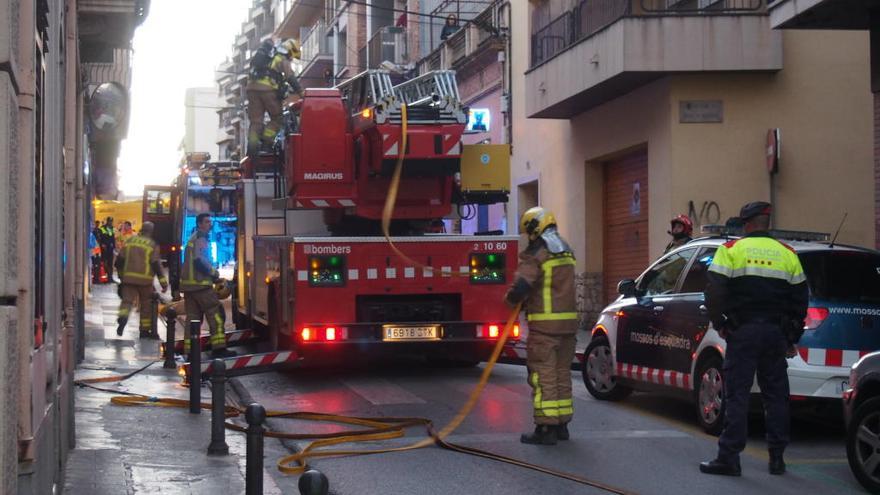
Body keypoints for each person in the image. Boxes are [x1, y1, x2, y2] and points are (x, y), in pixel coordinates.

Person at [700, 201, 808, 477]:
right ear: (766, 223)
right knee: (776, 397)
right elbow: (800, 299)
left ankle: (730, 458)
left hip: (743, 332)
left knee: (737, 395)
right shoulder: (787, 253)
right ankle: (777, 459)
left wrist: (721, 323)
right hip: (775, 334)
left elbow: (714, 291)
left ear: (746, 223)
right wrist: (791, 336)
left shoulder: (732, 251)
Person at [505, 206, 578, 445]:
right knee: (561, 375)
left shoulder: (538, 252)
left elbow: (522, 287)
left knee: (542, 376)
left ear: (534, 228)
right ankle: (562, 425)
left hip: (545, 328)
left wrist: (510, 299)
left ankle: (546, 429)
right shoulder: (565, 250)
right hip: (568, 327)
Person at [180, 213, 232, 358]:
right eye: (207, 222)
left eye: (210, 221)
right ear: (199, 224)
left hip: (190, 287)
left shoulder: (192, 239)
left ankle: (190, 352)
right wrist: (214, 274)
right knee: (216, 314)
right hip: (201, 286)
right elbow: (199, 261)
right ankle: (219, 348)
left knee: (193, 318)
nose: (210, 224)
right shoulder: (201, 239)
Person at [246, 38, 303, 157]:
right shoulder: (281, 58)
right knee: (277, 119)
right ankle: (267, 142)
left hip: (251, 89)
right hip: (268, 90)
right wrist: (301, 93)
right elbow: (290, 77)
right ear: (289, 50)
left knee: (256, 122)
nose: (291, 59)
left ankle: (252, 149)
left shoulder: (265, 56)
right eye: (292, 56)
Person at [116, 222, 169, 338]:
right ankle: (144, 331)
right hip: (145, 281)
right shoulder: (152, 245)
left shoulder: (130, 241)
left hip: (128, 278)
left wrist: (121, 277)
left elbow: (119, 261)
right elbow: (155, 264)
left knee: (127, 301)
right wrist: (163, 283)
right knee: (146, 305)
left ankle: (123, 318)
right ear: (151, 231)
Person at [99, 217, 117, 283]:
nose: (110, 223)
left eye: (111, 221)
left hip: (110, 249)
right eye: (109, 221)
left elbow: (112, 238)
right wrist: (102, 244)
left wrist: (114, 247)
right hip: (104, 249)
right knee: (104, 263)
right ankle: (106, 277)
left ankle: (110, 278)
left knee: (110, 263)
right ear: (107, 221)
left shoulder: (112, 228)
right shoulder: (102, 228)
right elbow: (100, 237)